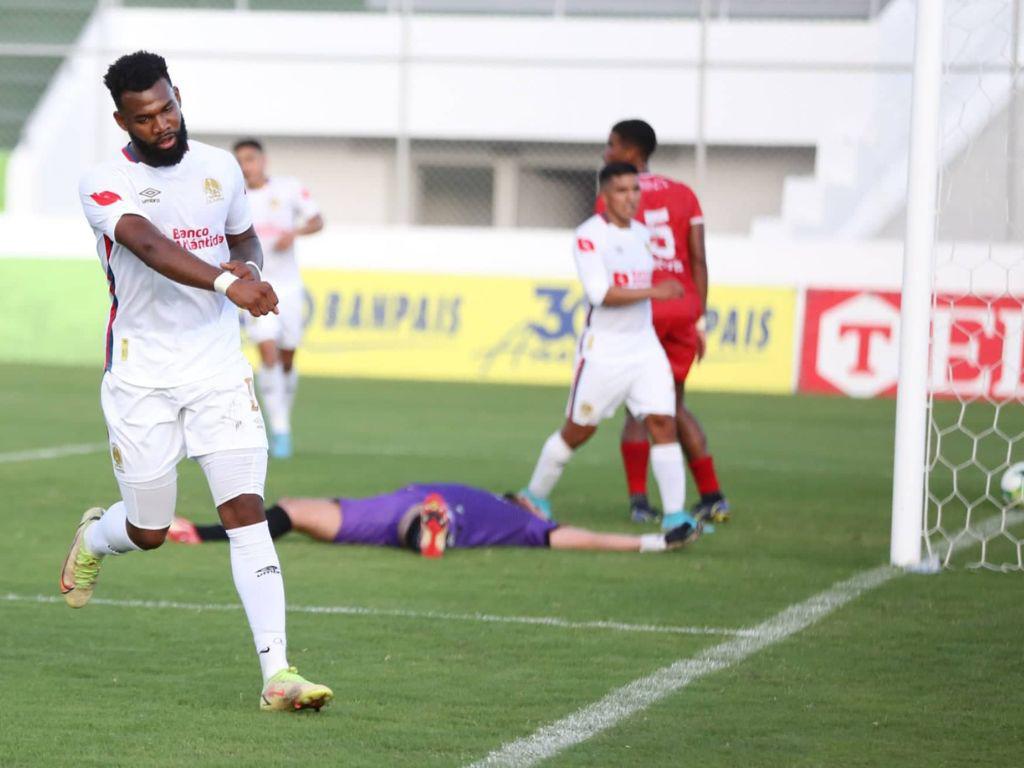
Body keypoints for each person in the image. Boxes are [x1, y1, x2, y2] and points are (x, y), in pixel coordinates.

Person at [62, 50, 331, 712]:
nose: (163, 124)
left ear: (178, 94)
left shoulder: (220, 168)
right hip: (142, 373)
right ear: (123, 119)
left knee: (245, 512)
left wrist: (246, 270)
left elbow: (243, 241)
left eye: (169, 107)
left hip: (216, 366)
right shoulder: (101, 182)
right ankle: (98, 535)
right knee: (150, 530)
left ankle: (279, 673)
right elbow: (148, 245)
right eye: (146, 117)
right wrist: (224, 283)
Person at [519, 163, 701, 534]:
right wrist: (656, 291)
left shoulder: (643, 234)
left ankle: (675, 516)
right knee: (578, 431)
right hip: (604, 352)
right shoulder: (589, 236)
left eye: (635, 189)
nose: (631, 197)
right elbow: (600, 294)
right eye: (621, 191)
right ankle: (533, 496)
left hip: (644, 346)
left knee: (663, 423)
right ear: (605, 195)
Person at [599, 119, 730, 525]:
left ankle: (640, 503)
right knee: (671, 402)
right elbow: (699, 260)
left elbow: (608, 254)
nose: (607, 153)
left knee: (640, 410)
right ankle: (712, 496)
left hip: (646, 309)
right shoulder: (684, 194)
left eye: (613, 145)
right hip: (684, 309)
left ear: (631, 152)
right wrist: (700, 321)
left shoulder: (615, 195)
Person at [167, 483, 701, 556]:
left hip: (408, 512)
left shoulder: (532, 528)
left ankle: (430, 526)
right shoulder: (518, 513)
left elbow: (583, 538)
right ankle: (427, 526)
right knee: (295, 509)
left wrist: (648, 543)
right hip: (381, 513)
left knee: (294, 510)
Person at [233, 138, 323, 460]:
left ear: (263, 161)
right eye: (240, 160)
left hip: (290, 288)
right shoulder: (236, 197)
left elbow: (317, 220)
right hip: (258, 288)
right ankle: (281, 428)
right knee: (267, 353)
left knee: (287, 357)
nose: (246, 166)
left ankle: (281, 411)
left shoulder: (288, 188)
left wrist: (294, 233)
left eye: (250, 159)